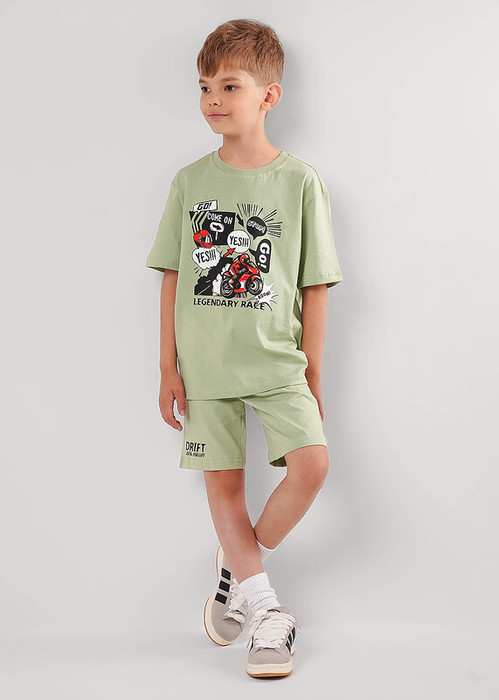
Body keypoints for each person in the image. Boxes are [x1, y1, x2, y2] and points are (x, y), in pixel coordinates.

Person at [145, 19, 343, 678]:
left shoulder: (300, 182)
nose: (212, 99)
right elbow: (174, 275)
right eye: (204, 86)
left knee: (311, 465)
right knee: (224, 484)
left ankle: (239, 566)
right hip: (205, 367)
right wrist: (168, 367)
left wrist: (313, 374)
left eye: (229, 85)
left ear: (269, 95)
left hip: (278, 363)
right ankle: (267, 613)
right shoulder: (188, 182)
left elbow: (315, 286)